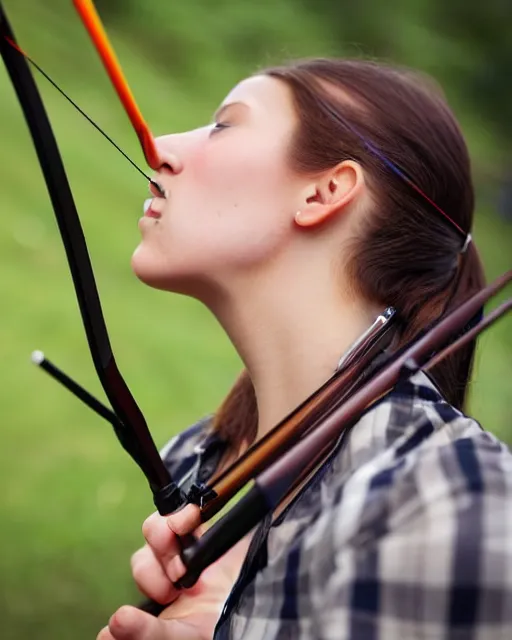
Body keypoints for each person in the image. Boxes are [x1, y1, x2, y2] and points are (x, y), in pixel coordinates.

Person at [97, 59, 512, 640]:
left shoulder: (447, 492)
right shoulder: (199, 458)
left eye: (225, 125)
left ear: (325, 191)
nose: (161, 147)